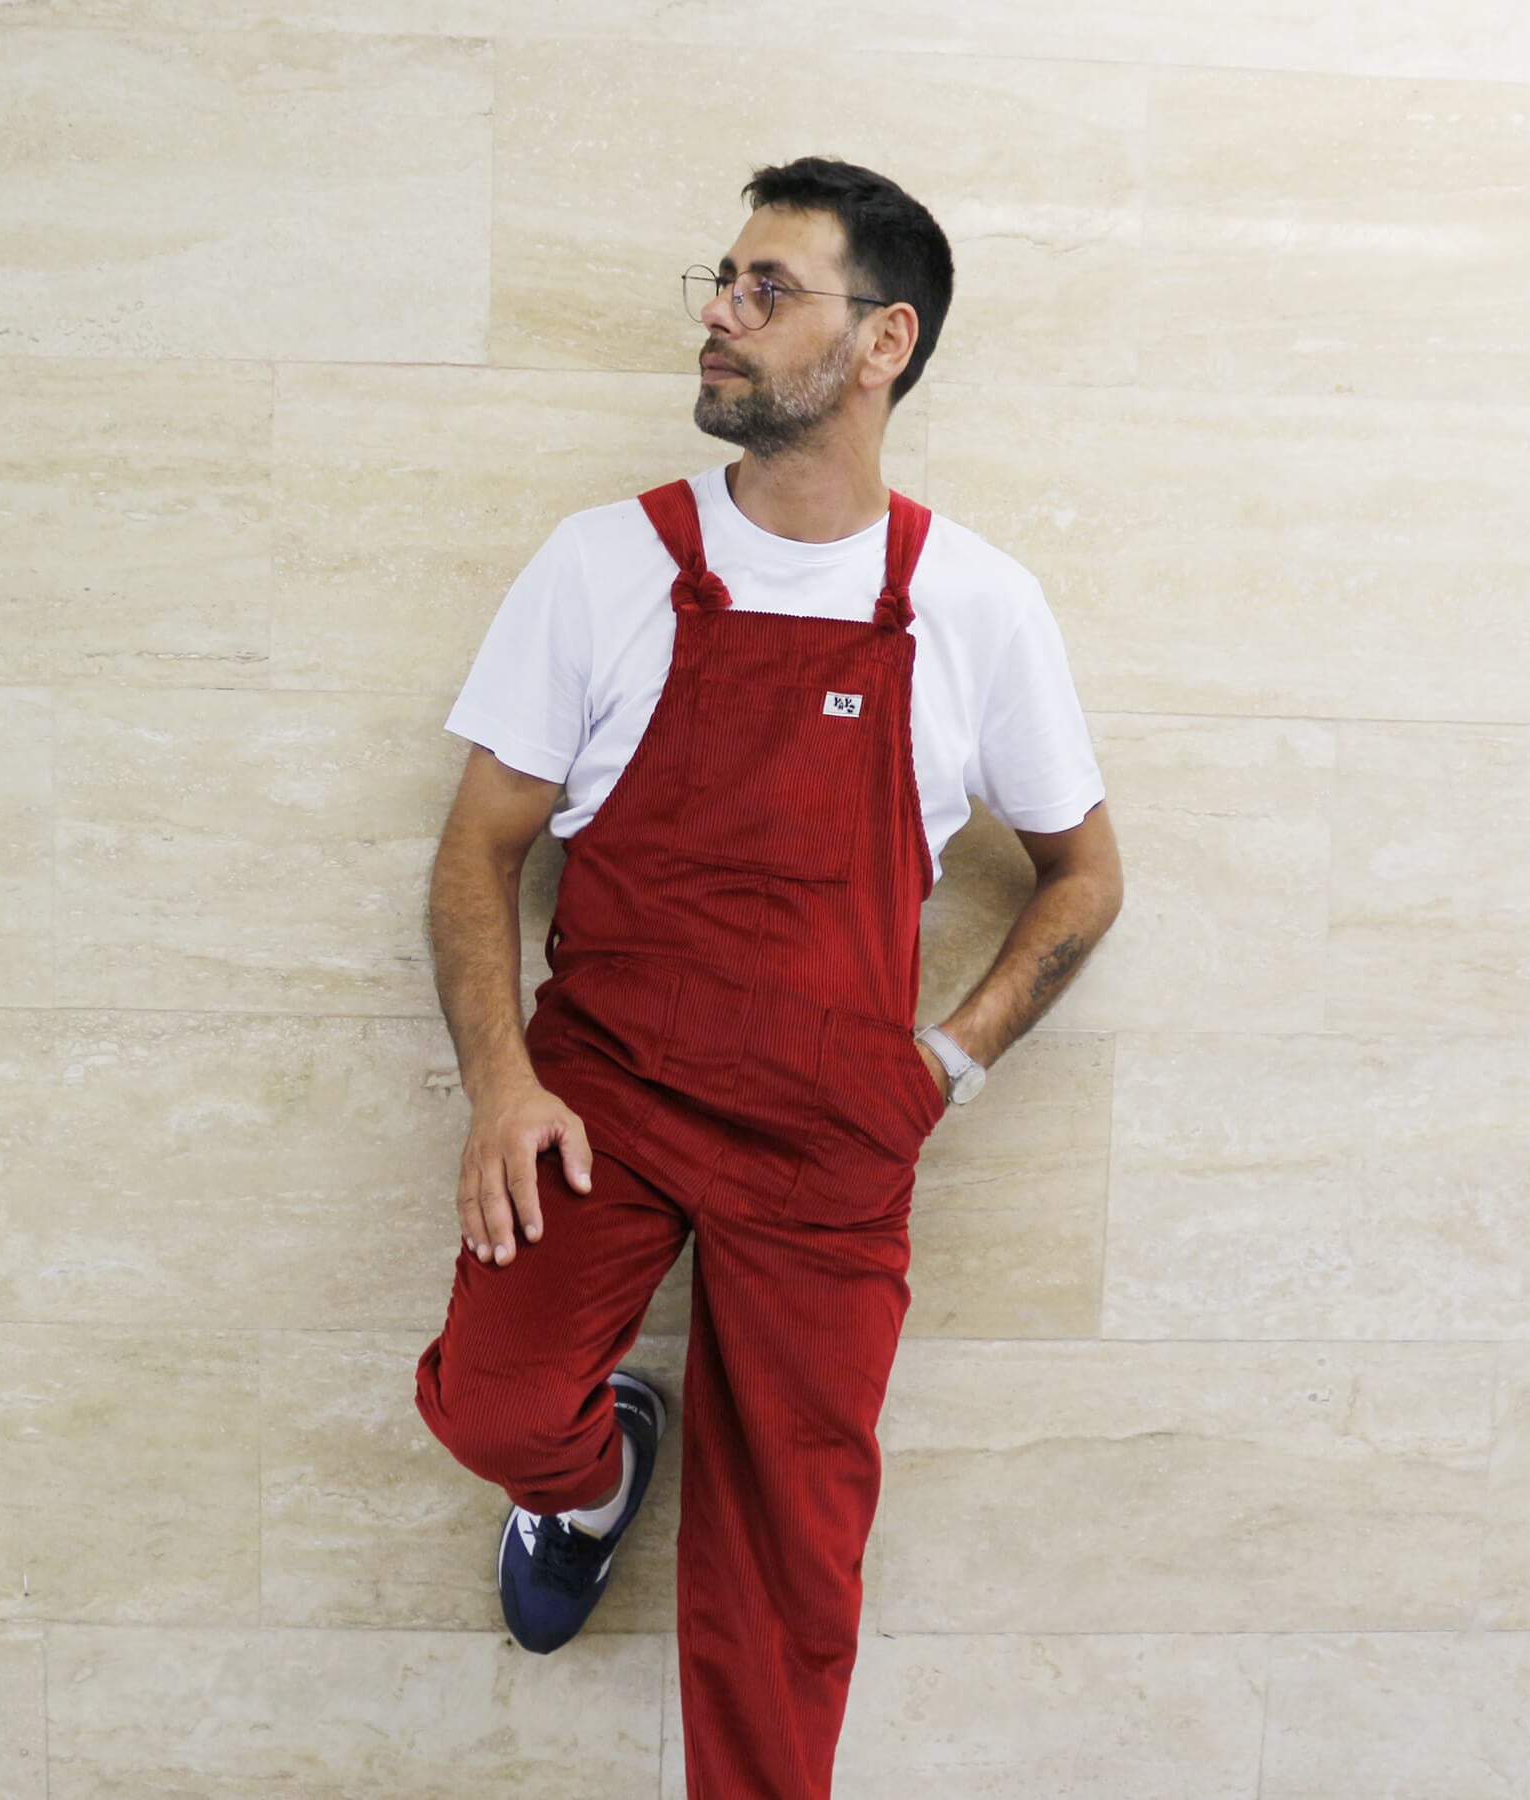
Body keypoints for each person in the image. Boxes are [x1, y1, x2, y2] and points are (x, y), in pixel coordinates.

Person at [415, 155, 1124, 1799]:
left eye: (766, 291)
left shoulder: (974, 604)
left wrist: (941, 1064)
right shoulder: (605, 564)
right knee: (493, 1399)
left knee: (790, 1576)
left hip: (830, 1133)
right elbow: (475, 853)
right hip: (603, 1096)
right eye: (721, 285)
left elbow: (1085, 874)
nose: (720, 320)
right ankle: (588, 1482)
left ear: (883, 343)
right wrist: (502, 1086)